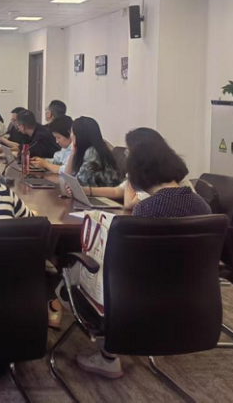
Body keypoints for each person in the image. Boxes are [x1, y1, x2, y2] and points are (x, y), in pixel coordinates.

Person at [74, 128, 210, 380]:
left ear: (137, 175)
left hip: (140, 293)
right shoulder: (202, 205)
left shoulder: (147, 209)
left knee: (76, 270)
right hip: (191, 292)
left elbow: (128, 262)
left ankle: (108, 356)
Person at [62, 117, 122, 188]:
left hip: (102, 194)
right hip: (92, 192)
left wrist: (71, 186)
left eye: (72, 132)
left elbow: (78, 184)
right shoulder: (88, 150)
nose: (71, 135)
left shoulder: (92, 153)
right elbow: (68, 179)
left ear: (79, 135)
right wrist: (72, 152)